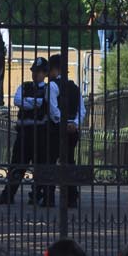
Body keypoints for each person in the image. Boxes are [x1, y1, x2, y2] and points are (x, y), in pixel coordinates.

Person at [0, 57, 51, 205]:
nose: (35, 74)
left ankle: (41, 196)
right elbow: (17, 101)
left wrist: (30, 102)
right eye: (34, 71)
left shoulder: (48, 89)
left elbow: (44, 103)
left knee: (41, 166)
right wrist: (36, 103)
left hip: (39, 131)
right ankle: (8, 195)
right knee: (17, 165)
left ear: (45, 73)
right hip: (24, 131)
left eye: (39, 72)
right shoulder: (24, 86)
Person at [48, 52, 82, 207]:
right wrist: (74, 123)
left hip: (56, 129)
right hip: (72, 129)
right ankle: (71, 196)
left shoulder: (53, 85)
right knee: (69, 161)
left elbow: (53, 109)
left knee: (51, 161)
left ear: (55, 70)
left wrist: (62, 124)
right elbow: (82, 110)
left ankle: (48, 196)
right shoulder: (74, 87)